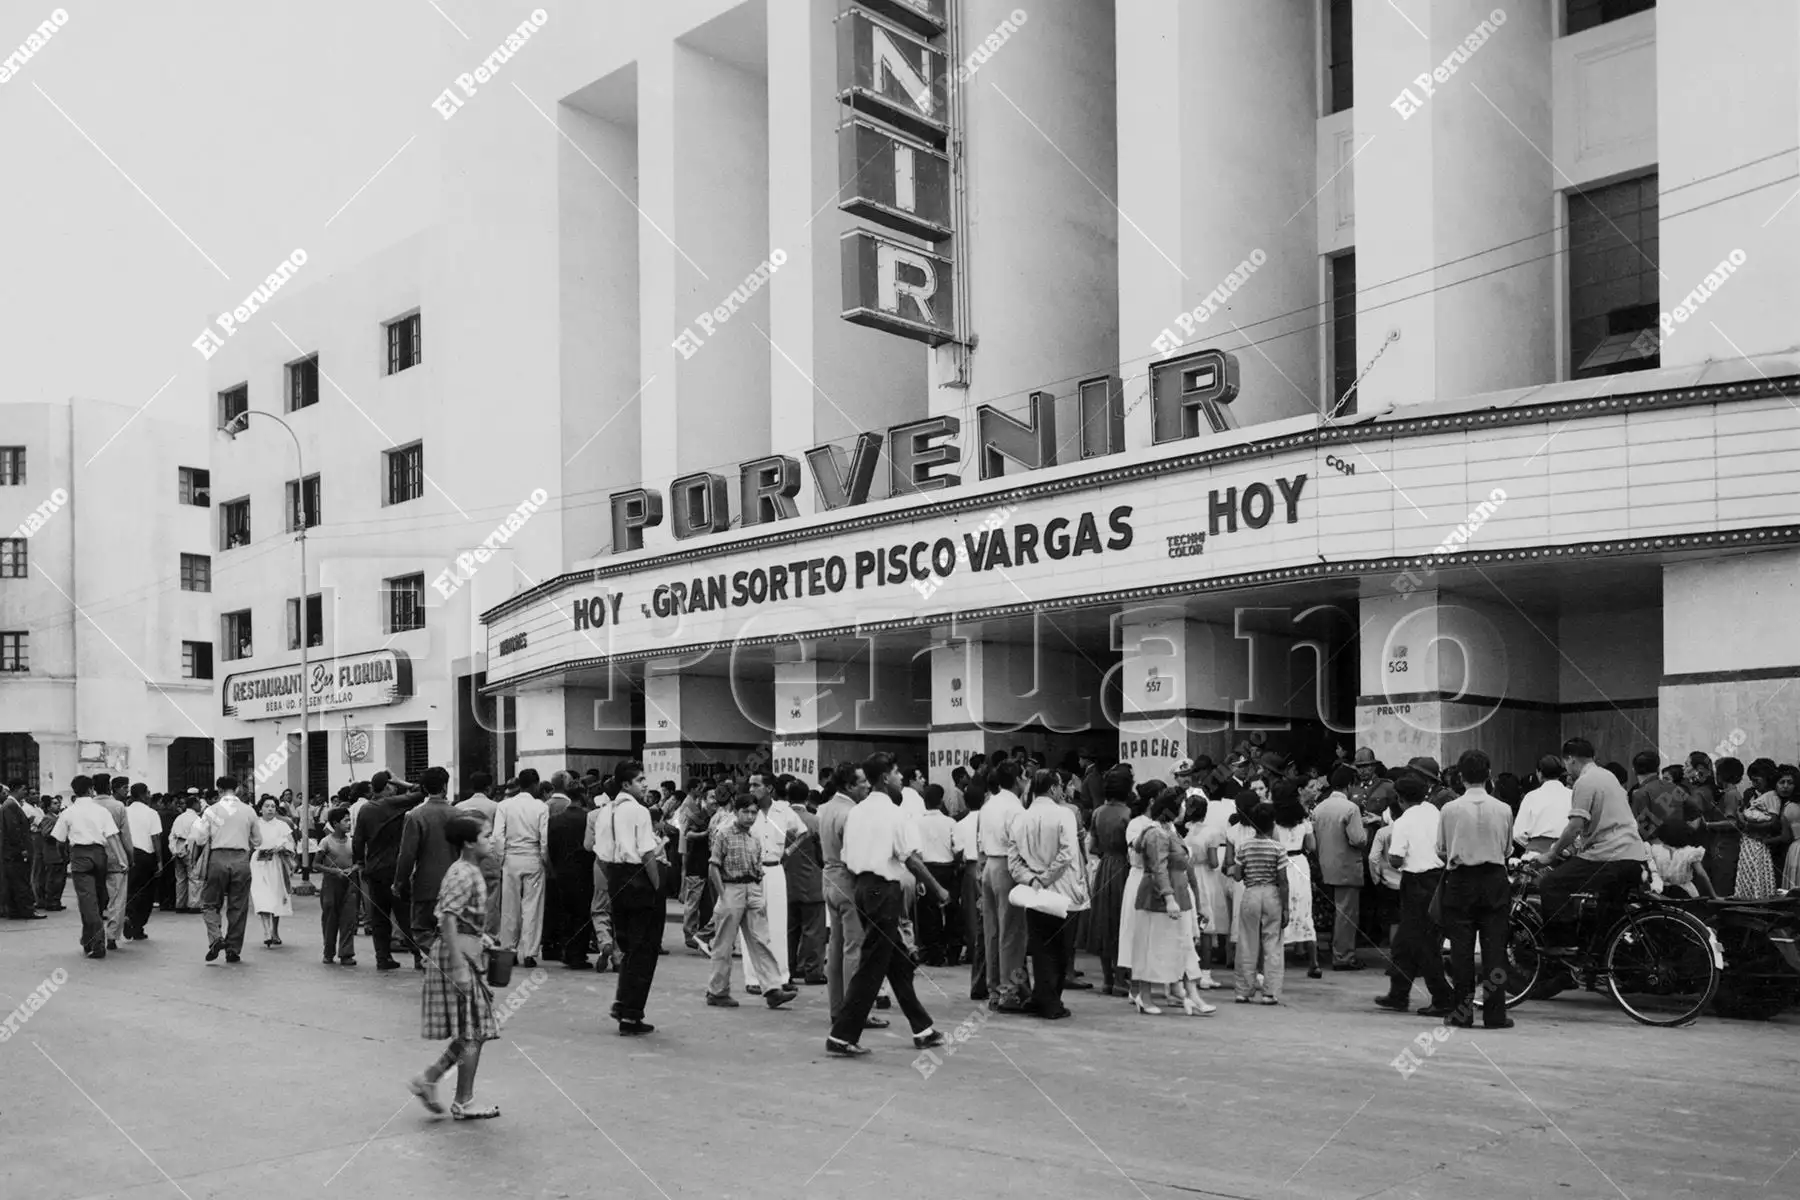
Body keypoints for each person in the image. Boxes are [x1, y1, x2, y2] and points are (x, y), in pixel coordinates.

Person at [826, 752, 950, 1057]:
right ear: (885, 777)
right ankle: (842, 1036)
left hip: (862, 889)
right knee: (872, 966)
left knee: (896, 962)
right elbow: (909, 857)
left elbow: (849, 857)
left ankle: (923, 1028)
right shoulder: (895, 814)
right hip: (884, 890)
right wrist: (938, 889)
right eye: (896, 773)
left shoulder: (857, 812)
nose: (900, 779)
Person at [408, 813, 502, 1121]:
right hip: (457, 957)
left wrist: (481, 937)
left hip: (464, 952)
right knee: (473, 1032)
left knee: (471, 1031)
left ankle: (431, 1079)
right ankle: (462, 1100)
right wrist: (460, 968)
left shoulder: (467, 869)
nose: (492, 840)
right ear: (469, 842)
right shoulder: (463, 873)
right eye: (487, 836)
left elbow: (458, 918)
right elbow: (446, 918)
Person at [1531, 737, 1650, 961]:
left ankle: (1563, 945)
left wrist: (1552, 853)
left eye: (1566, 764)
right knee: (1607, 912)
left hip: (1608, 856)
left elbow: (1575, 825)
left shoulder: (1585, 782)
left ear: (1571, 760)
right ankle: (1598, 959)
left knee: (1552, 883)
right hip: (1633, 855)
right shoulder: (1609, 777)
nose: (1567, 769)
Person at [1436, 749, 1515, 1029]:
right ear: (1489, 775)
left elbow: (1441, 850)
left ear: (1460, 776)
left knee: (1461, 951)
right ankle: (1495, 1015)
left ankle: (1462, 1013)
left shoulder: (1449, 809)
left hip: (1460, 881)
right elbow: (1507, 849)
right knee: (1495, 950)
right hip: (1494, 879)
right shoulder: (1504, 809)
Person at [703, 791, 798, 1010]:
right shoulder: (724, 834)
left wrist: (757, 892)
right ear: (736, 812)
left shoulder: (754, 838)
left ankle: (773, 989)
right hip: (731, 888)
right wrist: (723, 895)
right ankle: (717, 990)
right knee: (724, 944)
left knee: (761, 940)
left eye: (754, 812)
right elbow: (713, 866)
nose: (750, 816)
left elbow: (758, 868)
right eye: (745, 811)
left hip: (753, 888)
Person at [1009, 769, 1088, 1018]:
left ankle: (1041, 997)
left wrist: (1033, 879)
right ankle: (1051, 1001)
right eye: (1061, 786)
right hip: (1063, 891)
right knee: (1061, 950)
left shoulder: (1020, 817)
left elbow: (1013, 861)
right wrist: (1045, 878)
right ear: (1054, 788)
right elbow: (1067, 853)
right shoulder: (1064, 813)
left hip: (1034, 892)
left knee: (1041, 948)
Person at [1376, 775, 1455, 1016]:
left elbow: (1396, 859)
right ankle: (1398, 993)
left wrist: (1392, 860)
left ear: (1399, 799)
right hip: (1439, 878)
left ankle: (1442, 998)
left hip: (1416, 883)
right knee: (1406, 940)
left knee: (1423, 944)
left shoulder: (1403, 822)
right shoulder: (1434, 811)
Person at [1129, 789, 1213, 1016]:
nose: (1186, 809)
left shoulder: (1170, 830)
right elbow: (1158, 867)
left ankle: (1189, 993)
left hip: (1179, 895)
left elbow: (1184, 865)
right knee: (1151, 948)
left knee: (1183, 945)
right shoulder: (1156, 833)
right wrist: (1168, 898)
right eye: (1182, 805)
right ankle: (1144, 996)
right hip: (1157, 900)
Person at [595, 761, 663, 1036]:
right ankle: (631, 1013)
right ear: (626, 785)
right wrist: (657, 887)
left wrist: (613, 878)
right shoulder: (639, 811)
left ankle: (623, 1003)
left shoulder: (604, 812)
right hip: (639, 880)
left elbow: (598, 854)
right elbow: (647, 853)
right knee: (644, 950)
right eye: (640, 780)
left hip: (616, 878)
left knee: (627, 946)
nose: (645, 784)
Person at [354, 777, 427, 970]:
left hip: (374, 869)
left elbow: (358, 841)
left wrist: (361, 862)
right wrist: (403, 782)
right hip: (395, 869)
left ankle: (382, 957)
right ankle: (418, 955)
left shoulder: (366, 809)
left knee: (379, 916)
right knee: (405, 914)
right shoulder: (393, 804)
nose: (394, 790)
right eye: (392, 786)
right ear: (386, 787)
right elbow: (422, 791)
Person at [51, 777, 126, 956]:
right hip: (100, 855)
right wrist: (121, 859)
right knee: (98, 899)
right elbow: (112, 837)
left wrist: (65, 856)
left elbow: (59, 840)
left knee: (87, 901)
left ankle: (97, 942)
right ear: (91, 790)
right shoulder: (100, 811)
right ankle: (87, 938)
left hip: (79, 855)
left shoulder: (68, 812)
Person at [978, 759, 1029, 1011]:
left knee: (993, 931)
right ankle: (1009, 991)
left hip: (989, 865)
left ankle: (994, 988)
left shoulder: (989, 804)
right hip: (1008, 867)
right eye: (1025, 776)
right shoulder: (1016, 809)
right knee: (1012, 931)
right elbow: (1020, 845)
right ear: (1018, 779)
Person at [397, 769, 459, 962]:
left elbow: (407, 855)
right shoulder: (459, 815)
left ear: (423, 788)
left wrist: (400, 883)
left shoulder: (415, 816)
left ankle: (441, 959)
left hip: (426, 884)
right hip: (456, 884)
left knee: (421, 929)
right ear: (445, 786)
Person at [198, 776, 262, 963]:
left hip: (218, 858)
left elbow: (201, 838)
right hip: (241, 859)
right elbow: (258, 841)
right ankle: (233, 949)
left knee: (210, 903)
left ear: (218, 790)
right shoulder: (248, 810)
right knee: (238, 906)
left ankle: (216, 937)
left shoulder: (212, 810)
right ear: (238, 790)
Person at [1229, 802, 1288, 1005]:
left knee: (1246, 942)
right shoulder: (1278, 848)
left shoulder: (1244, 846)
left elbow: (1237, 876)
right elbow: (1283, 881)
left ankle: (1243, 990)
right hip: (1272, 894)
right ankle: (1269, 992)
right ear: (1272, 824)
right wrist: (1286, 908)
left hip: (1251, 892)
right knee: (1272, 943)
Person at [1311, 765, 1367, 970]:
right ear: (1350, 785)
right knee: (1347, 914)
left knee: (1334, 912)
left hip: (1325, 864)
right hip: (1347, 866)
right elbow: (1358, 839)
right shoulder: (1351, 809)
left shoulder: (1319, 807)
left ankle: (1335, 950)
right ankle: (1343, 956)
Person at [1084, 766, 1134, 995]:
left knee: (1104, 921)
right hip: (1124, 867)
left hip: (1104, 866)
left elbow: (1093, 846)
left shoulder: (1098, 812)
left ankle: (1106, 978)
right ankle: (1122, 979)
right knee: (1123, 922)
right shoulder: (1128, 814)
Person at [493, 778, 550, 969]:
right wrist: (543, 859)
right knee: (532, 906)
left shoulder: (504, 805)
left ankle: (508, 949)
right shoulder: (541, 807)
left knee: (509, 907)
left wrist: (500, 859)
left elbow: (498, 837)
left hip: (511, 859)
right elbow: (544, 838)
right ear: (535, 785)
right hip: (533, 859)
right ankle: (529, 952)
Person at [1271, 782, 1320, 979]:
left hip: (1281, 862)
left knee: (1281, 907)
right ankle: (1314, 962)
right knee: (1305, 909)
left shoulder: (1274, 822)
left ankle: (1277, 961)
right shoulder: (1303, 820)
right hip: (1300, 863)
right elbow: (1312, 846)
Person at [547, 788, 596, 968]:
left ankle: (566, 951)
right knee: (582, 914)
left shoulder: (555, 820)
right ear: (584, 797)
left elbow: (550, 848)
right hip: (584, 872)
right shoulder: (588, 818)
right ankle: (578, 954)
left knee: (565, 913)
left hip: (561, 871)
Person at [785, 779, 827, 984]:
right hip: (812, 882)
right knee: (814, 931)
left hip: (786, 882)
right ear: (808, 797)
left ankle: (788, 970)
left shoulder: (779, 820)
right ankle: (813, 971)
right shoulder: (815, 821)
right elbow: (823, 855)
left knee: (789, 930)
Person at [914, 785, 959, 967]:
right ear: (941, 802)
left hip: (926, 869)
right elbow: (957, 849)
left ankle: (934, 954)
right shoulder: (950, 823)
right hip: (947, 868)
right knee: (952, 911)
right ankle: (952, 952)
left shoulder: (916, 822)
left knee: (928, 913)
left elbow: (914, 851)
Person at [455, 771, 504, 939]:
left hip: (466, 857)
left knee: (466, 897)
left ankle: (468, 933)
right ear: (489, 788)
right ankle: (489, 936)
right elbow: (498, 835)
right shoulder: (496, 807)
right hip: (488, 857)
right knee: (491, 899)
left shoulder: (459, 807)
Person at [953, 774, 987, 1000]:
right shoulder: (988, 819)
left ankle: (975, 955)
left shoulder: (960, 824)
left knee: (972, 917)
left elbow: (957, 852)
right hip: (987, 865)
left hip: (969, 869)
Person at [316, 807, 359, 965]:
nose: (349, 824)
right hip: (330, 885)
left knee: (348, 919)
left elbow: (359, 863)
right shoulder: (326, 842)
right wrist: (334, 871)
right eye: (345, 821)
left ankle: (346, 953)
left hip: (349, 884)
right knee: (330, 919)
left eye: (349, 820)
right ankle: (328, 952)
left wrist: (352, 869)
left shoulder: (352, 842)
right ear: (335, 823)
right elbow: (316, 864)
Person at [251, 797, 296, 947]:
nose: (270, 809)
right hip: (259, 862)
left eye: (273, 806)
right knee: (262, 895)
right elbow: (249, 841)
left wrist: (283, 847)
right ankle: (266, 931)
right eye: (267, 806)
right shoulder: (255, 824)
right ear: (261, 808)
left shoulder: (282, 825)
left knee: (276, 896)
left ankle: (274, 931)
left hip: (276, 863)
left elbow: (291, 842)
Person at [120, 784, 162, 940]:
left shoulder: (124, 811)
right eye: (148, 793)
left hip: (128, 853)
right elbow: (155, 838)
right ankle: (138, 925)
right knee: (146, 893)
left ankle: (128, 915)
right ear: (143, 795)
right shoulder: (152, 813)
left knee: (130, 889)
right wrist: (159, 861)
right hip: (146, 855)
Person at [678, 787, 716, 955]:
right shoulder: (700, 816)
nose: (714, 801)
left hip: (711, 867)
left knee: (708, 905)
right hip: (697, 866)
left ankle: (702, 937)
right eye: (712, 797)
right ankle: (690, 935)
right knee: (693, 904)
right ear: (704, 799)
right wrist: (706, 834)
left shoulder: (719, 817)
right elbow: (688, 835)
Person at [0, 786, 42, 920]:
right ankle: (27, 909)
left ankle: (14, 910)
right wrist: (22, 848)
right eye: (24, 790)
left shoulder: (11, 805)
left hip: (11, 851)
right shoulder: (11, 805)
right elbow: (13, 829)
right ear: (17, 790)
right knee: (21, 880)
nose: (25, 793)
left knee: (14, 880)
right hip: (15, 851)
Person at [170, 795, 202, 913]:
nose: (200, 805)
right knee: (194, 877)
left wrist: (173, 849)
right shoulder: (197, 819)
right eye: (198, 803)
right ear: (194, 804)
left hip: (177, 847)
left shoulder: (179, 818)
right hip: (191, 848)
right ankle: (194, 904)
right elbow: (197, 837)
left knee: (180, 878)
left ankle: (180, 904)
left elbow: (172, 835)